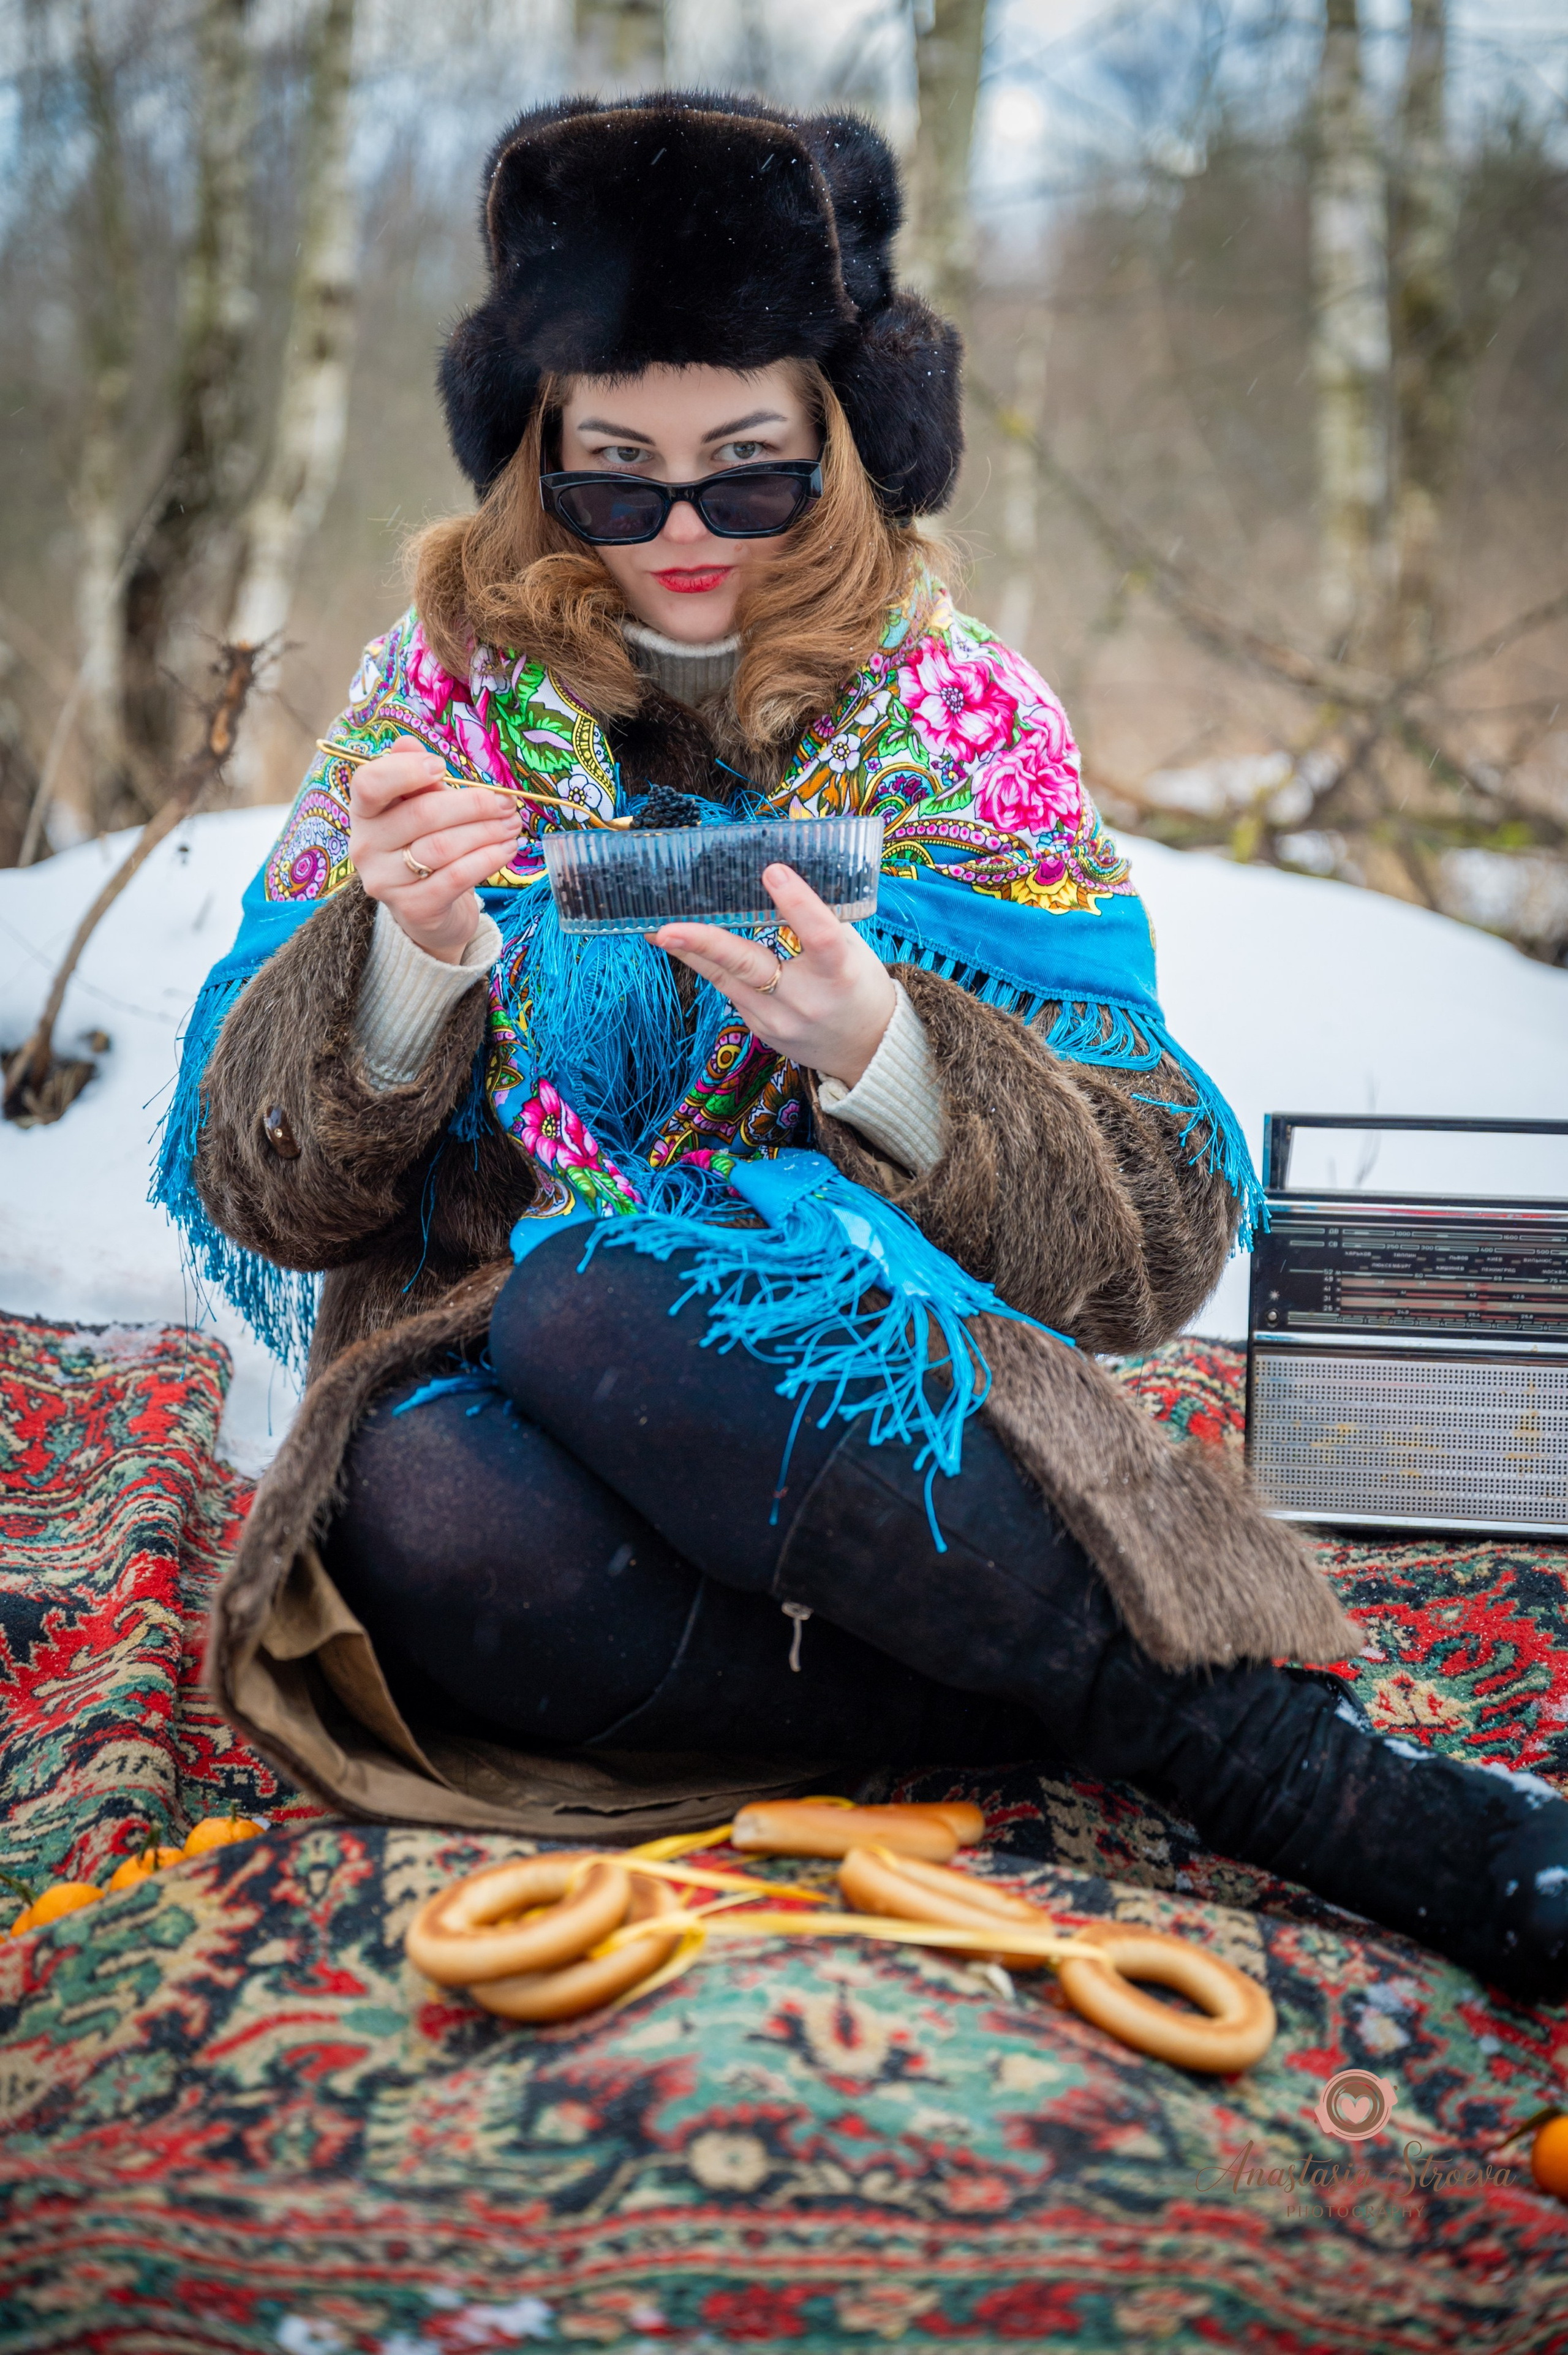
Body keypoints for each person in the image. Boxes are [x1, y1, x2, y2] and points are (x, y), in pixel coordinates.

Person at [169, 93, 1568, 2000]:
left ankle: (1290, 1768)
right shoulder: (429, 704)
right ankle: (1032, 1675)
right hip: (526, 1449)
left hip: (884, 1396)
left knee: (606, 1289)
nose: (682, 534)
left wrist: (895, 1055)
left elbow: (1157, 1234)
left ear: (839, 444)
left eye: (745, 476)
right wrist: (402, 968)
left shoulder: (961, 717)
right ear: (537, 458)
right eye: (616, 477)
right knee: (412, 1509)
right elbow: (258, 1185)